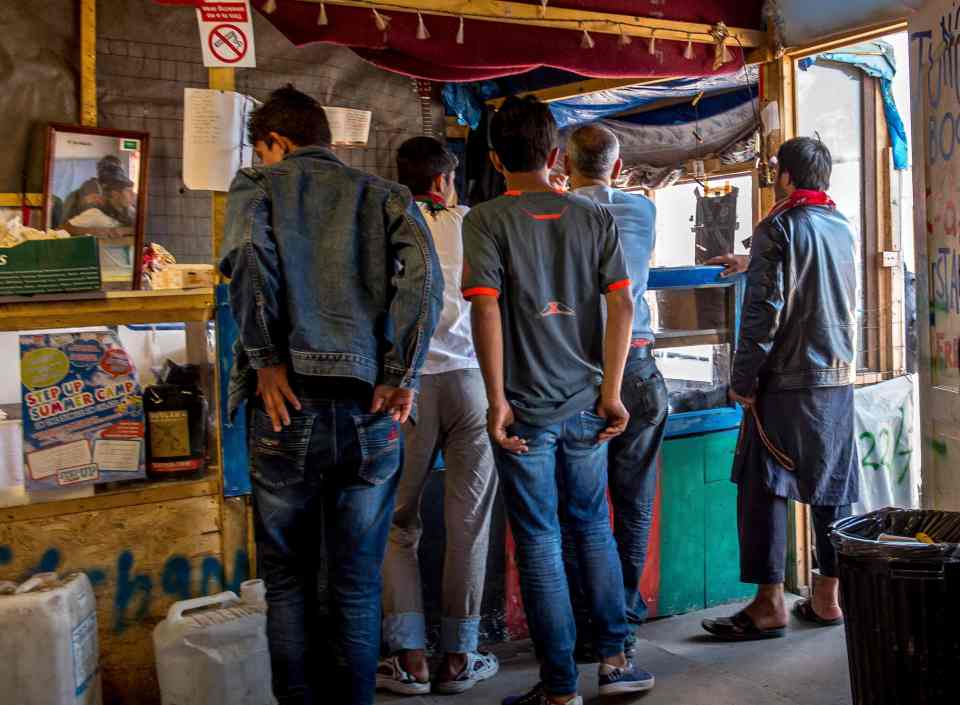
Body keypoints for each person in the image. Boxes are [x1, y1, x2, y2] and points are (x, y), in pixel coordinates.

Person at [218, 84, 443, 705]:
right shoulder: (386, 195)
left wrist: (265, 359)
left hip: (285, 404)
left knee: (289, 579)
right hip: (371, 409)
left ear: (276, 142)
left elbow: (246, 258)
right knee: (355, 582)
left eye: (263, 149)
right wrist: (402, 371)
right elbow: (425, 282)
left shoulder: (260, 185)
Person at [463, 95, 655, 705]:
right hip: (585, 408)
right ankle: (617, 664)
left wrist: (495, 399)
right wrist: (611, 392)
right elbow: (622, 303)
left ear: (495, 159)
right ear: (554, 156)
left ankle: (559, 688)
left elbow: (485, 306)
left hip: (523, 413)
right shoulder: (594, 215)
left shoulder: (486, 219)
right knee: (592, 527)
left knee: (542, 541)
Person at [702, 137, 859, 641]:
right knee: (831, 488)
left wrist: (744, 380)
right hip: (837, 379)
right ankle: (828, 598)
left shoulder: (778, 227)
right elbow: (813, 276)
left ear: (787, 177)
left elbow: (763, 313)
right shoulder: (841, 226)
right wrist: (754, 261)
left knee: (762, 484)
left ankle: (769, 603)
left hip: (787, 383)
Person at [377, 137, 500, 696]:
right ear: (447, 180)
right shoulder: (475, 223)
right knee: (468, 525)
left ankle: (410, 662)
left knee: (396, 522)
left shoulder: (386, 224)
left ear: (403, 181)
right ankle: (459, 658)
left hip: (406, 391)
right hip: (474, 385)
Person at [563, 124, 669, 656]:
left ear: (563, 166)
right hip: (641, 367)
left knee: (582, 509)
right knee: (633, 503)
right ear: (620, 168)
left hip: (579, 372)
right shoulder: (643, 211)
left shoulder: (559, 214)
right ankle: (624, 615)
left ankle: (592, 626)